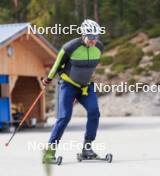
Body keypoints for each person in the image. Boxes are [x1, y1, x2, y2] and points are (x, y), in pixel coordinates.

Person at [42, 19, 103, 161]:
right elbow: (57, 65)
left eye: (97, 37)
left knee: (94, 112)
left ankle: (87, 149)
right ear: (83, 34)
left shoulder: (99, 47)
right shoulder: (70, 47)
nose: (94, 40)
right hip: (68, 86)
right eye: (91, 37)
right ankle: (49, 153)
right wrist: (48, 79)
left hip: (85, 87)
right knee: (64, 117)